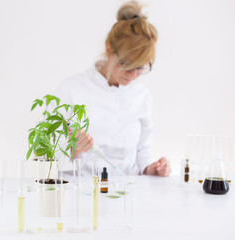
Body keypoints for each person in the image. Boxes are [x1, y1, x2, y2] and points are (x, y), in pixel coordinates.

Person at [55, 1, 171, 177]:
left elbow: (143, 153)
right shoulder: (71, 90)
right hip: (84, 194)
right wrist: (74, 150)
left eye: (140, 68)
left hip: (129, 193)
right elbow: (51, 160)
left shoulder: (142, 96)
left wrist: (151, 169)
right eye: (127, 64)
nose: (133, 75)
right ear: (109, 48)